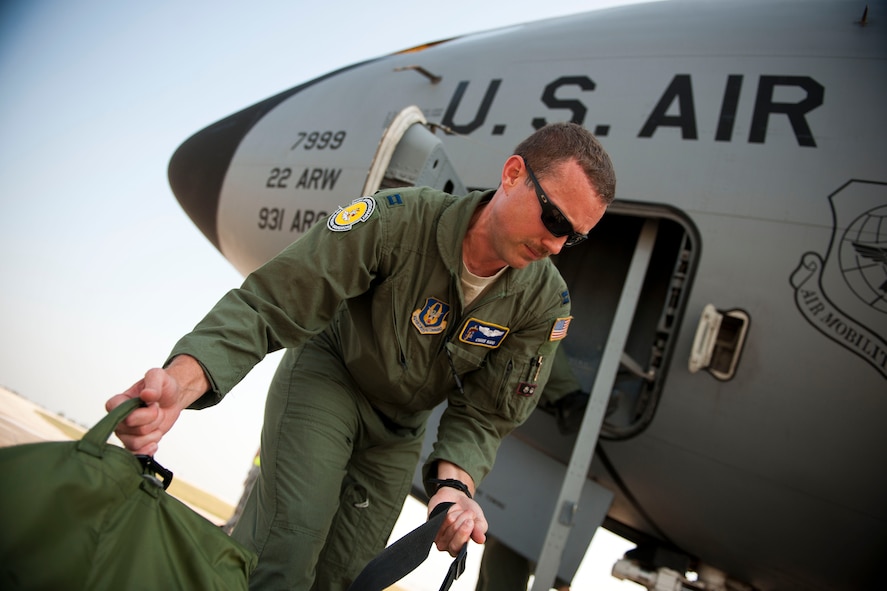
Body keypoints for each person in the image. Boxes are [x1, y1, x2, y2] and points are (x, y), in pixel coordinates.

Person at [105, 121, 616, 590]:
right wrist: (183, 382)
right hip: (332, 378)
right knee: (288, 543)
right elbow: (274, 301)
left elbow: (486, 412)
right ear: (511, 175)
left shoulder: (545, 303)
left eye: (574, 236)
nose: (555, 244)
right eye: (553, 218)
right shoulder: (400, 221)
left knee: (349, 575)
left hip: (400, 429)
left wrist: (453, 487)